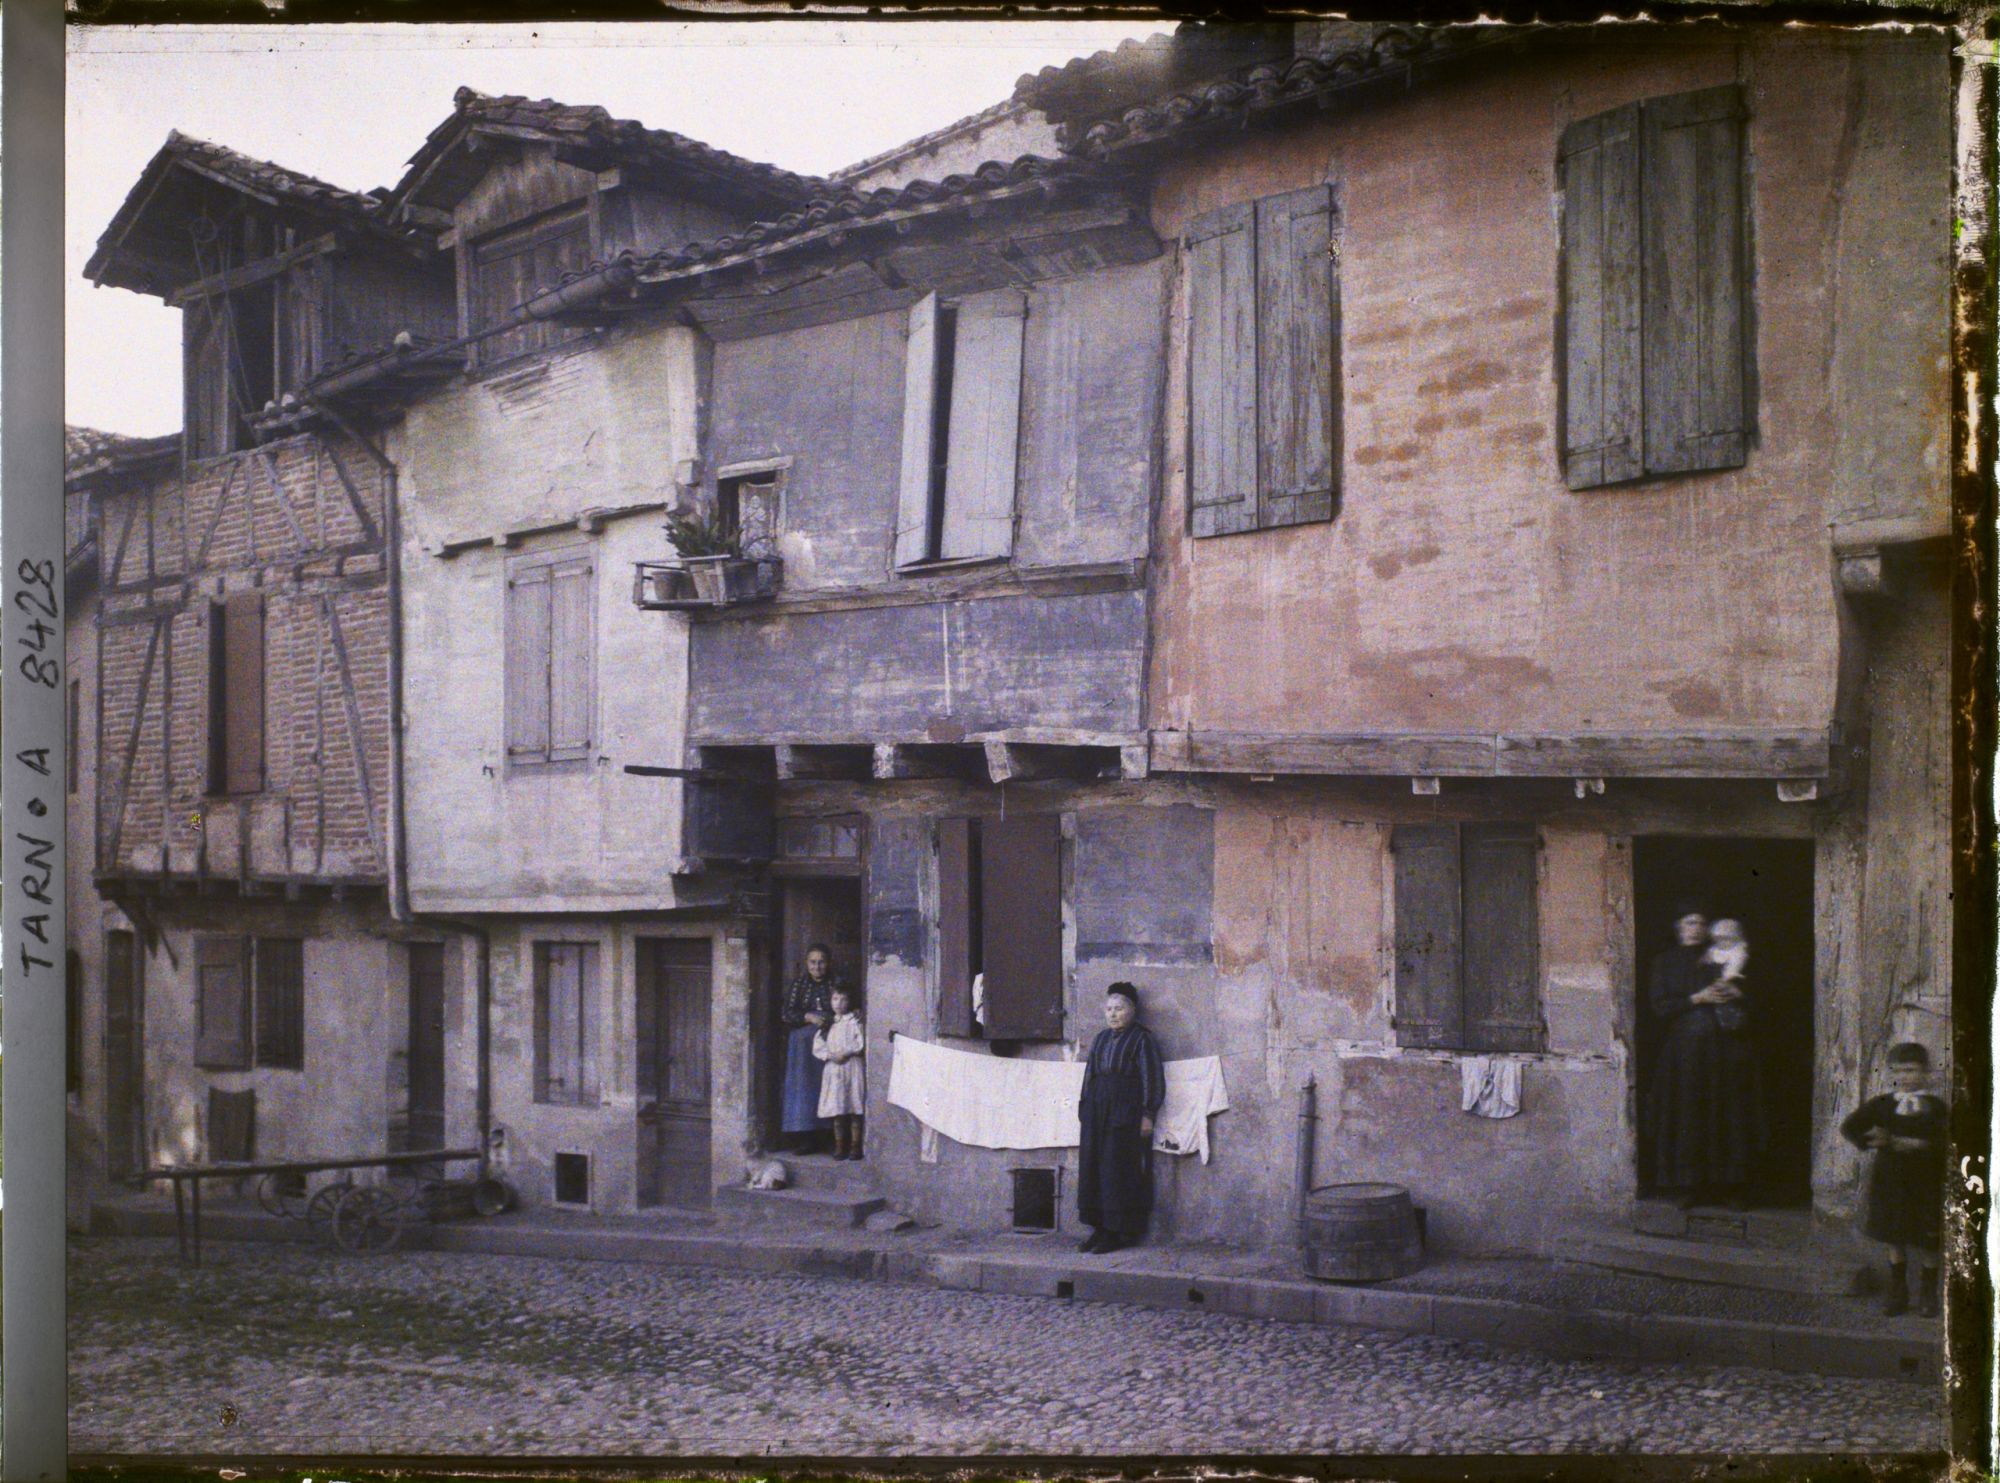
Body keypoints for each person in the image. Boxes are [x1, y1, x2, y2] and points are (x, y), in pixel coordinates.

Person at [1646, 902, 1766, 1210]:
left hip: (1726, 1049)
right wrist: (1698, 998)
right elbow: (1659, 1006)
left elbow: (1754, 994)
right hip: (1685, 1052)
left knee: (1728, 1114)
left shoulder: (1723, 954)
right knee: (1690, 1114)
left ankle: (1731, 1187)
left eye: (1701, 923)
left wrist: (1738, 993)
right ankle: (1690, 1186)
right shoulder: (1665, 962)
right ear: (1678, 927)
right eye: (1689, 922)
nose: (1696, 928)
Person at [1840, 1042, 1946, 1317]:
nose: (1904, 1077)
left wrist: (1920, 1145)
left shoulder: (1936, 1108)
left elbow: (1948, 1141)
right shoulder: (1884, 1105)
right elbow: (1850, 1127)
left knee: (1928, 1240)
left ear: (1925, 1072)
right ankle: (1899, 1292)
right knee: (1895, 1237)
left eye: (1911, 1070)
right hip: (1891, 1182)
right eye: (1898, 1071)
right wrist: (1871, 1141)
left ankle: (1928, 1294)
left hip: (1926, 1182)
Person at [1076, 981, 1166, 1254]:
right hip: (1097, 1110)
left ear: (1132, 1010)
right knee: (1093, 1166)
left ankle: (1116, 1232)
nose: (1113, 1014)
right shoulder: (1101, 1039)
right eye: (1109, 1009)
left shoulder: (1142, 1039)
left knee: (1116, 1168)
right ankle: (1099, 1228)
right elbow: (1090, 1074)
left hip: (1125, 1112)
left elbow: (1152, 1078)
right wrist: (1084, 1107)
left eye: (1119, 1008)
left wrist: (1148, 1114)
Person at [779, 944, 840, 1154]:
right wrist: (808, 1016)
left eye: (821, 962)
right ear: (807, 963)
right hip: (802, 1049)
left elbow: (848, 1007)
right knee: (804, 1088)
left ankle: (830, 1137)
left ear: (828, 963)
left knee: (830, 1086)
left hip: (830, 1041)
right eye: (813, 962)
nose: (817, 966)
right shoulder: (799, 985)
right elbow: (786, 1014)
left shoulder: (836, 983)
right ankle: (806, 1138)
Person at [813, 985, 867, 1160]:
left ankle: (855, 1146)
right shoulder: (828, 1023)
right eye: (835, 999)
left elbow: (860, 1042)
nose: (839, 1003)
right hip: (834, 1069)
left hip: (851, 1066)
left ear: (849, 1002)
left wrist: (847, 1052)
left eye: (843, 999)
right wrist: (831, 1055)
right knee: (838, 1107)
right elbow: (818, 1046)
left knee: (854, 1105)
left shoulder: (854, 1021)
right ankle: (839, 1146)